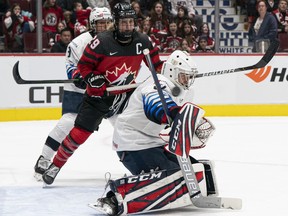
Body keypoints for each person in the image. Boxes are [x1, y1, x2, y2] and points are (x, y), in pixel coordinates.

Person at [42, 2, 163, 185]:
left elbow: (157, 66)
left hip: (125, 98)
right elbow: (83, 65)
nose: (128, 27)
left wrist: (172, 74)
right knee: (79, 133)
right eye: (124, 23)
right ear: (116, 22)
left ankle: (150, 166)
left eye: (131, 22)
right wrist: (92, 78)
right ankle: (56, 165)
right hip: (98, 97)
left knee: (137, 131)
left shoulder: (143, 41)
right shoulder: (102, 42)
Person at [89, 50, 217, 215]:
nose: (188, 80)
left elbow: (178, 117)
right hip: (133, 144)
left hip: (155, 142)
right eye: (185, 76)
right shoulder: (157, 84)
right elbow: (155, 104)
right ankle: (113, 199)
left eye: (190, 76)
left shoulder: (182, 90)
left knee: (194, 172)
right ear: (173, 72)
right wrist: (171, 112)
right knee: (173, 179)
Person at [33, 7, 113, 180]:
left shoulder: (117, 41)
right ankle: (45, 158)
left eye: (108, 22)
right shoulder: (79, 43)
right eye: (101, 23)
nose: (105, 26)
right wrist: (78, 76)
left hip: (109, 92)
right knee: (67, 122)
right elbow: (71, 65)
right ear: (93, 24)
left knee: (123, 123)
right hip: (80, 91)